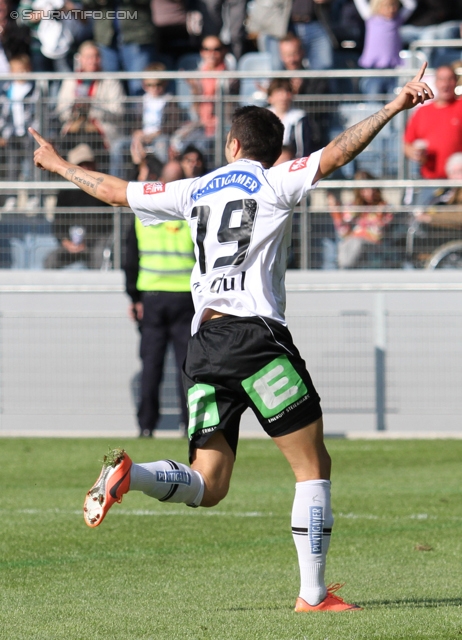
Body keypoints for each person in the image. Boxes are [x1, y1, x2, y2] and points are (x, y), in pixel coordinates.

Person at [30, 63, 433, 613]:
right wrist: (393, 106)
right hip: (257, 339)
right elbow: (340, 151)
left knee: (209, 483)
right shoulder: (274, 180)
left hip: (205, 345)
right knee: (312, 468)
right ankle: (313, 596)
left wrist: (55, 164)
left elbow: (116, 192)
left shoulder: (193, 187)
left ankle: (133, 475)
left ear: (231, 144)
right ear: (273, 150)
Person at [124, 157, 195, 438]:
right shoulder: (191, 213)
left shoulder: (144, 216)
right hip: (185, 298)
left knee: (151, 365)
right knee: (187, 366)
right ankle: (189, 424)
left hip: (152, 297)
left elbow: (130, 260)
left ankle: (146, 426)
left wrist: (134, 297)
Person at [55, 40, 125, 175]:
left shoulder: (110, 81)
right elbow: (61, 111)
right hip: (73, 130)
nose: (92, 61)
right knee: (61, 148)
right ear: (79, 59)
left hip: (101, 131)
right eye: (88, 57)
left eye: (96, 56)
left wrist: (93, 108)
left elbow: (119, 111)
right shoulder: (70, 81)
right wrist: (74, 108)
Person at [44, 143, 113, 268]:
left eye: (88, 164)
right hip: (70, 246)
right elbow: (58, 224)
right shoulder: (65, 192)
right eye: (80, 166)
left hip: (94, 245)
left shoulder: (103, 190)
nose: (85, 169)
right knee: (50, 261)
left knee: (100, 259)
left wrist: (87, 243)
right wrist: (66, 242)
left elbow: (106, 224)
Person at [404, 65, 462, 204]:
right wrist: (415, 153)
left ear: (455, 82)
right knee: (423, 220)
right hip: (430, 182)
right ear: (435, 82)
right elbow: (407, 144)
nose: (445, 84)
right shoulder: (422, 112)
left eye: (449, 79)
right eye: (442, 79)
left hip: (459, 184)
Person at [328, 170, 395, 268]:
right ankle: (345, 270)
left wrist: (380, 215)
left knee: (357, 243)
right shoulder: (352, 207)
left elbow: (378, 235)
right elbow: (343, 234)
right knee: (345, 245)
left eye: (372, 188)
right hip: (353, 245)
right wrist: (336, 214)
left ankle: (344, 271)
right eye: (364, 189)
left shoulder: (385, 207)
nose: (370, 192)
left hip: (374, 246)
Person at [0, 54, 39, 211]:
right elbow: (2, 114)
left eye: (23, 70)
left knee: (30, 167)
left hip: (29, 135)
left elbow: (39, 113)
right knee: (12, 167)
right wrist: (2, 133)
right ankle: (11, 197)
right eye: (16, 70)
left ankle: (32, 197)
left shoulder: (35, 89)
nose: (20, 74)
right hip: (12, 134)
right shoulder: (6, 90)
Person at [353, 0, 416, 95]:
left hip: (392, 69)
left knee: (393, 100)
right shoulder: (370, 16)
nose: (391, 9)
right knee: (373, 98)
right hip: (374, 69)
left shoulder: (397, 19)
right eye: (386, 6)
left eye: (394, 6)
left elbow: (411, 4)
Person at [266, 78, 318, 158]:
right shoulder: (263, 117)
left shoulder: (299, 118)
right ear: (270, 98)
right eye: (279, 93)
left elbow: (303, 148)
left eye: (287, 92)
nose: (284, 97)